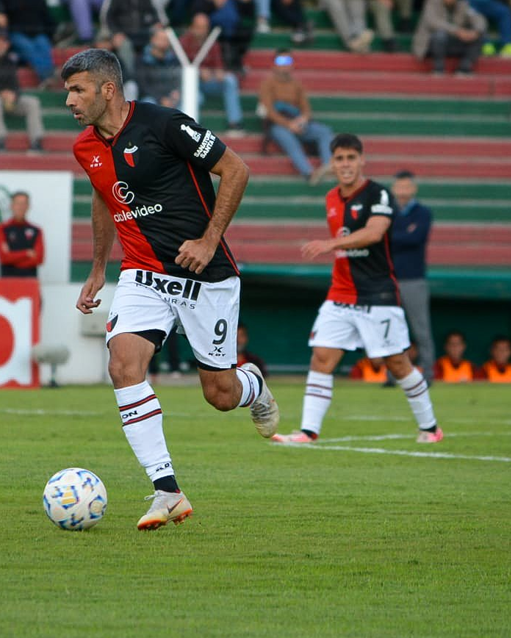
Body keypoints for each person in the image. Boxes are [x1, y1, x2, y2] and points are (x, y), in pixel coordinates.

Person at [63, 48, 280, 531]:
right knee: (122, 365)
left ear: (107, 90)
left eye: (78, 90)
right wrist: (98, 268)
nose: (70, 101)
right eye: (68, 92)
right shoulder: (85, 147)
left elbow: (237, 169)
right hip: (142, 272)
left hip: (205, 274)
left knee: (219, 394)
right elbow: (103, 197)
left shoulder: (165, 125)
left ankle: (254, 386)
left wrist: (209, 240)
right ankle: (167, 490)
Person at [271, 133, 441, 445]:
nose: (346, 164)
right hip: (340, 293)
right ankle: (308, 432)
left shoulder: (379, 194)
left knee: (397, 363)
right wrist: (334, 247)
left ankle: (430, 428)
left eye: (351, 158)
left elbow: (375, 233)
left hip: (377, 294)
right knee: (321, 357)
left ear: (362, 160)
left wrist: (331, 244)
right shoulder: (331, 198)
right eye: (339, 159)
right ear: (332, 163)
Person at [258, 50, 335, 186]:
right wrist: (289, 124)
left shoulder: (297, 85)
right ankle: (309, 173)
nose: (284, 65)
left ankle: (328, 166)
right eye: (280, 61)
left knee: (324, 131)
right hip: (278, 124)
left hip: (297, 121)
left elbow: (306, 108)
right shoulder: (267, 84)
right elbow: (270, 111)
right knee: (290, 141)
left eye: (288, 61)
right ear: (274, 65)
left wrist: (303, 119)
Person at [389, 169, 435, 383]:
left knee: (421, 328)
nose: (403, 190)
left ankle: (428, 373)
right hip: (390, 278)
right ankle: (391, 375)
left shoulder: (423, 213)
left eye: (407, 186)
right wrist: (404, 235)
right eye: (400, 186)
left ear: (414, 188)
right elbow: (384, 238)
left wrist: (394, 237)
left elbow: (416, 238)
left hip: (414, 279)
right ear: (393, 188)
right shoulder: (387, 212)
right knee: (390, 330)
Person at [0, 29, 45, 152]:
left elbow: (16, 86)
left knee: (32, 102)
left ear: (7, 45)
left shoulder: (10, 61)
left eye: (3, 42)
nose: (0, 45)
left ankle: (36, 141)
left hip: (6, 100)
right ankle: (0, 140)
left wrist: (13, 95)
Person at [179, 13, 245, 135]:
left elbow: (218, 66)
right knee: (197, 98)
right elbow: (178, 68)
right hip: (189, 85)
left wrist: (218, 72)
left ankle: (234, 123)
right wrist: (198, 72)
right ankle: (192, 131)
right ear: (191, 27)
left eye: (204, 28)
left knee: (230, 80)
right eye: (198, 27)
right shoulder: (183, 42)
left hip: (208, 82)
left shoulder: (212, 43)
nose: (201, 31)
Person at [412, 0, 486, 75]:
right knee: (440, 35)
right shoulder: (432, 2)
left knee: (478, 36)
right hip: (430, 44)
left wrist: (476, 31)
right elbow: (433, 22)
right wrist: (457, 31)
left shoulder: (463, 4)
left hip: (453, 43)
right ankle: (438, 69)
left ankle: (464, 68)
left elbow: (478, 18)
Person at [0, 191, 45, 277]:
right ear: (11, 206)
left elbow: (39, 258)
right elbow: (3, 257)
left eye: (24, 204)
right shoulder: (2, 229)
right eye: (18, 204)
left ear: (28, 206)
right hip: (8, 281)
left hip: (30, 281)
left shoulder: (36, 230)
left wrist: (13, 260)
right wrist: (26, 253)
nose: (21, 207)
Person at [6, 0, 56, 87]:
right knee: (28, 47)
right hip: (16, 33)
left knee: (44, 46)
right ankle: (47, 78)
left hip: (37, 32)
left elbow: (46, 17)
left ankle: (48, 78)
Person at [137, 26, 181, 108]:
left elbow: (178, 80)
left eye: (166, 39)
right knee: (148, 102)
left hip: (170, 98)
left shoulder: (174, 60)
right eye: (161, 39)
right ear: (152, 39)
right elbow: (143, 86)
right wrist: (161, 99)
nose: (164, 42)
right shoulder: (142, 60)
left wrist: (176, 92)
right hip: (151, 97)